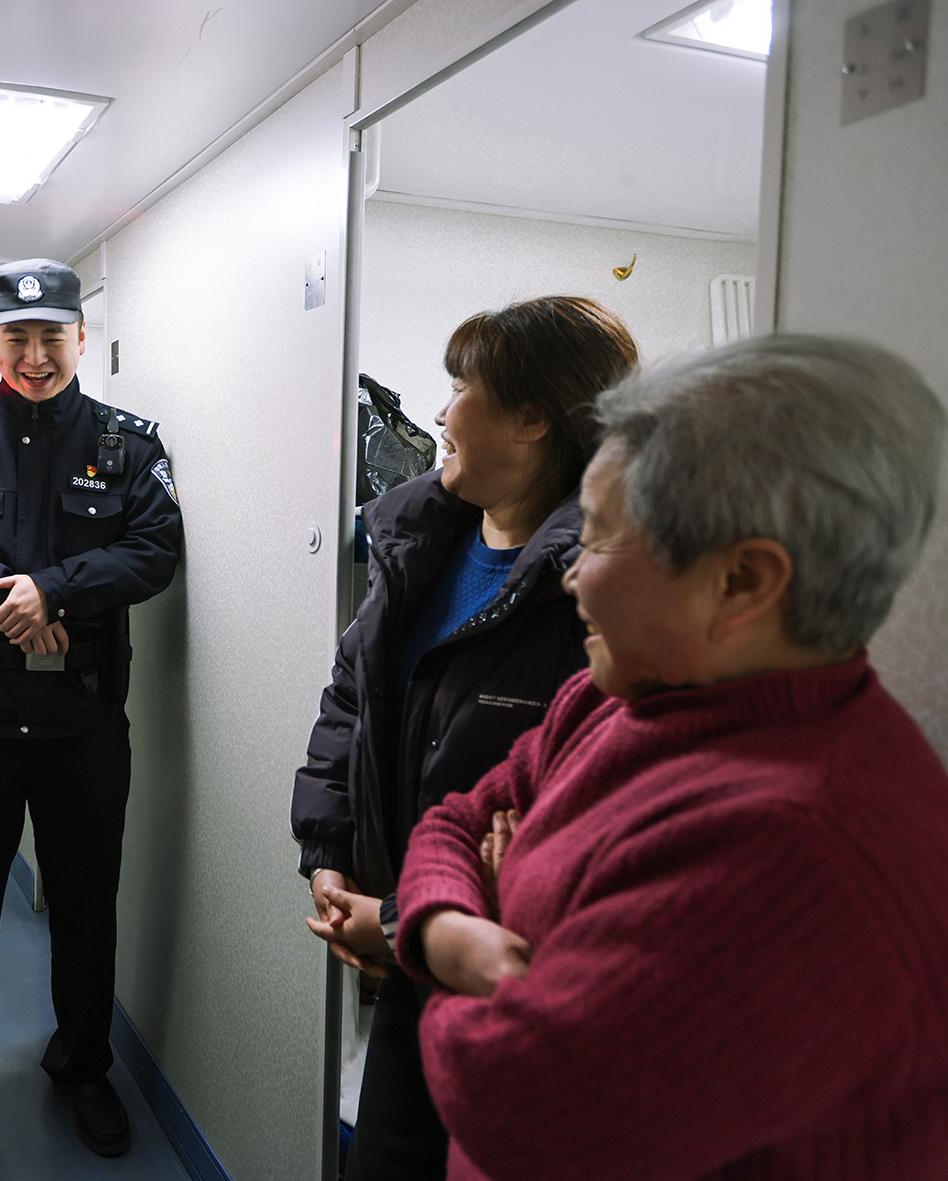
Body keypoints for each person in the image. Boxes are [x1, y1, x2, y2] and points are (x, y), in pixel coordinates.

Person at [365, 334, 948, 1178]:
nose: (573, 576)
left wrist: (500, 897)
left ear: (741, 582)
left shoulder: (796, 848)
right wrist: (458, 930)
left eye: (600, 541)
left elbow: (517, 1104)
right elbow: (454, 820)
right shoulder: (620, 695)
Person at [290, 296, 639, 1177]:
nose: (440, 414)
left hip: (507, 976)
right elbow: (351, 702)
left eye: (460, 388)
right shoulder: (418, 542)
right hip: (407, 955)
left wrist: (401, 921)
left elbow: (564, 823)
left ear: (532, 418)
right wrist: (328, 855)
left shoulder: (596, 592)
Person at [0, 258, 183, 1156]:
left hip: (82, 720)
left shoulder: (130, 444)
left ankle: (82, 1064)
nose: (36, 354)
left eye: (52, 335)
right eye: (18, 337)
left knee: (87, 903)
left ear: (82, 338)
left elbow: (155, 550)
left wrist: (53, 589)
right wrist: (6, 598)